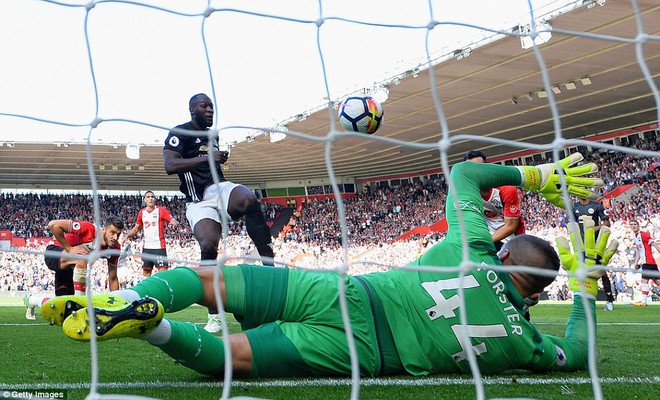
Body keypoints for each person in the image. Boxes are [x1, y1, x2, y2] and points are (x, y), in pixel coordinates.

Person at [49, 154, 614, 378]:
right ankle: (159, 329)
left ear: (507, 251)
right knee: (231, 361)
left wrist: (538, 177)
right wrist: (585, 286)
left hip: (343, 294)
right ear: (537, 297)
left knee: (206, 280)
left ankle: (136, 303)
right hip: (363, 355)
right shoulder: (529, 344)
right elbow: (581, 354)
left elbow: (464, 175)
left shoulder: (475, 248)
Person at [163, 93, 275, 333]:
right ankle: (214, 315)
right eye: (204, 106)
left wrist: (216, 159)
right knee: (208, 245)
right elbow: (170, 166)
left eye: (212, 106)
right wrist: (206, 157)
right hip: (197, 200)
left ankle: (269, 266)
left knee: (249, 199)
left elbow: (208, 162)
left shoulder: (212, 135)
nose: (210, 110)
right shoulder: (179, 133)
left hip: (218, 189)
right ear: (192, 110)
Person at [463, 150, 533, 320]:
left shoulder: (506, 189)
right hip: (489, 236)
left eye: (482, 166)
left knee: (516, 283)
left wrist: (484, 241)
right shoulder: (469, 192)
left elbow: (510, 226)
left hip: (511, 238)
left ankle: (524, 313)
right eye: (473, 168)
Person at [23, 217, 124, 320]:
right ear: (104, 230)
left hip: (72, 268)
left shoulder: (115, 249)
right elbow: (53, 225)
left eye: (118, 234)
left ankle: (32, 299)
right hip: (55, 253)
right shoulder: (89, 229)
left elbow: (113, 279)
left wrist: (117, 306)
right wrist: (69, 248)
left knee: (62, 308)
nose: (115, 237)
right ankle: (80, 303)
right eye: (112, 232)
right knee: (82, 256)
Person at [122, 191, 179, 278]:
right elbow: (137, 228)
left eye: (152, 196)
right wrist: (127, 236)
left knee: (163, 274)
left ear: (155, 199)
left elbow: (173, 220)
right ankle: (147, 291)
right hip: (147, 248)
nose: (150, 198)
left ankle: (163, 291)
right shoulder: (142, 212)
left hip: (159, 247)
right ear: (145, 199)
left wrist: (173, 224)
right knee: (146, 274)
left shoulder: (161, 210)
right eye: (148, 197)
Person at [572, 197, 615, 311]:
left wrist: (595, 228)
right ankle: (583, 301)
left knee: (601, 271)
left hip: (595, 244)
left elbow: (607, 223)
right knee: (582, 272)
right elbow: (572, 223)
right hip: (581, 245)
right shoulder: (574, 207)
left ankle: (610, 300)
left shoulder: (596, 206)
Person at [629, 219, 660, 306]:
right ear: (630, 226)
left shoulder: (643, 235)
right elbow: (638, 251)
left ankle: (643, 301)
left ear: (638, 225)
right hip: (646, 263)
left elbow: (653, 243)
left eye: (635, 224)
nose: (633, 226)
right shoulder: (635, 237)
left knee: (644, 281)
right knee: (657, 282)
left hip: (649, 262)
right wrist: (636, 262)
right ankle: (643, 301)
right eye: (631, 224)